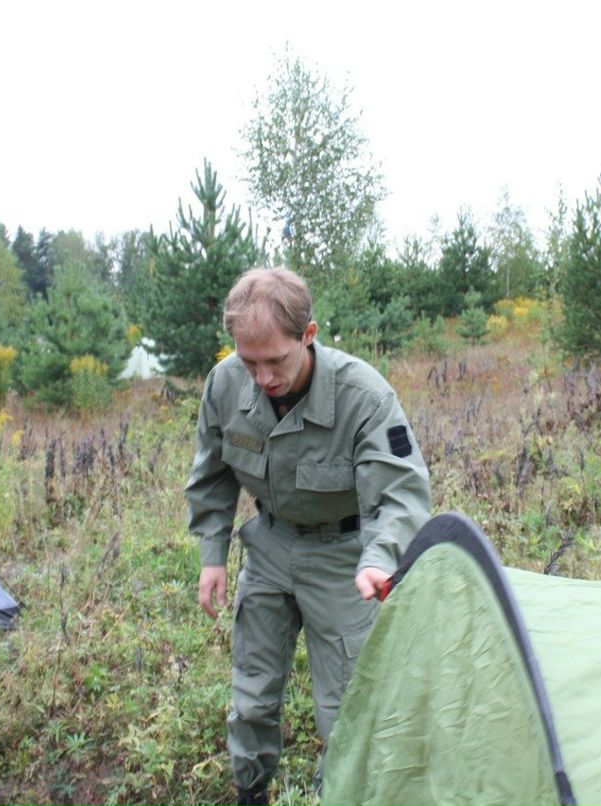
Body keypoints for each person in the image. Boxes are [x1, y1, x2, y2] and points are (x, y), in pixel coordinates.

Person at [187, 267, 432, 805]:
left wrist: (380, 557)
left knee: (347, 707)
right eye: (249, 362)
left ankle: (343, 793)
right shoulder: (225, 383)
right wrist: (213, 554)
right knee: (251, 694)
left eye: (276, 361)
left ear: (308, 335)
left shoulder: (364, 397)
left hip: (345, 559)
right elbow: (212, 473)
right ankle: (251, 791)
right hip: (270, 547)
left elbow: (401, 493)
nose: (262, 378)